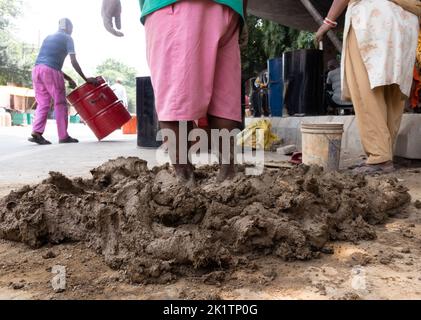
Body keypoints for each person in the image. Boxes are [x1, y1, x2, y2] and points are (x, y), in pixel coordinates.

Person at [102, 0, 248, 184]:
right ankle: (228, 174)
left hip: (175, 6)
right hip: (230, 8)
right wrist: (242, 12)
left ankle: (185, 180)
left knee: (176, 99)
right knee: (224, 100)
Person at [316, 0, 419, 174]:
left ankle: (379, 157)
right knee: (393, 88)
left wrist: (328, 22)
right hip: (406, 21)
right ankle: (385, 152)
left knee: (365, 86)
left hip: (372, 18)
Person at [30, 18, 97, 145]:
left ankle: (36, 132)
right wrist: (86, 78)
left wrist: (69, 79)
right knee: (60, 103)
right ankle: (63, 136)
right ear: (68, 28)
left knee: (43, 103)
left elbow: (47, 64)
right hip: (50, 70)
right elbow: (73, 61)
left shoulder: (48, 37)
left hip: (37, 70)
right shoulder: (67, 38)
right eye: (72, 29)